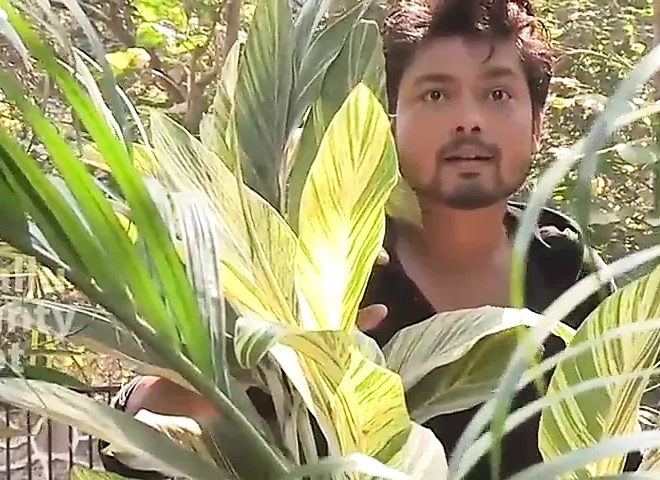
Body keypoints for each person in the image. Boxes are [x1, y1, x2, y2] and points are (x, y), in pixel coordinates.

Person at [100, 0, 629, 478]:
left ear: (536, 124)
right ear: (389, 120)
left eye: (497, 94)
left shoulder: (568, 271)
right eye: (436, 94)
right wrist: (241, 373)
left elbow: (622, 449)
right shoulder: (327, 271)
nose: (469, 120)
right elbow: (129, 437)